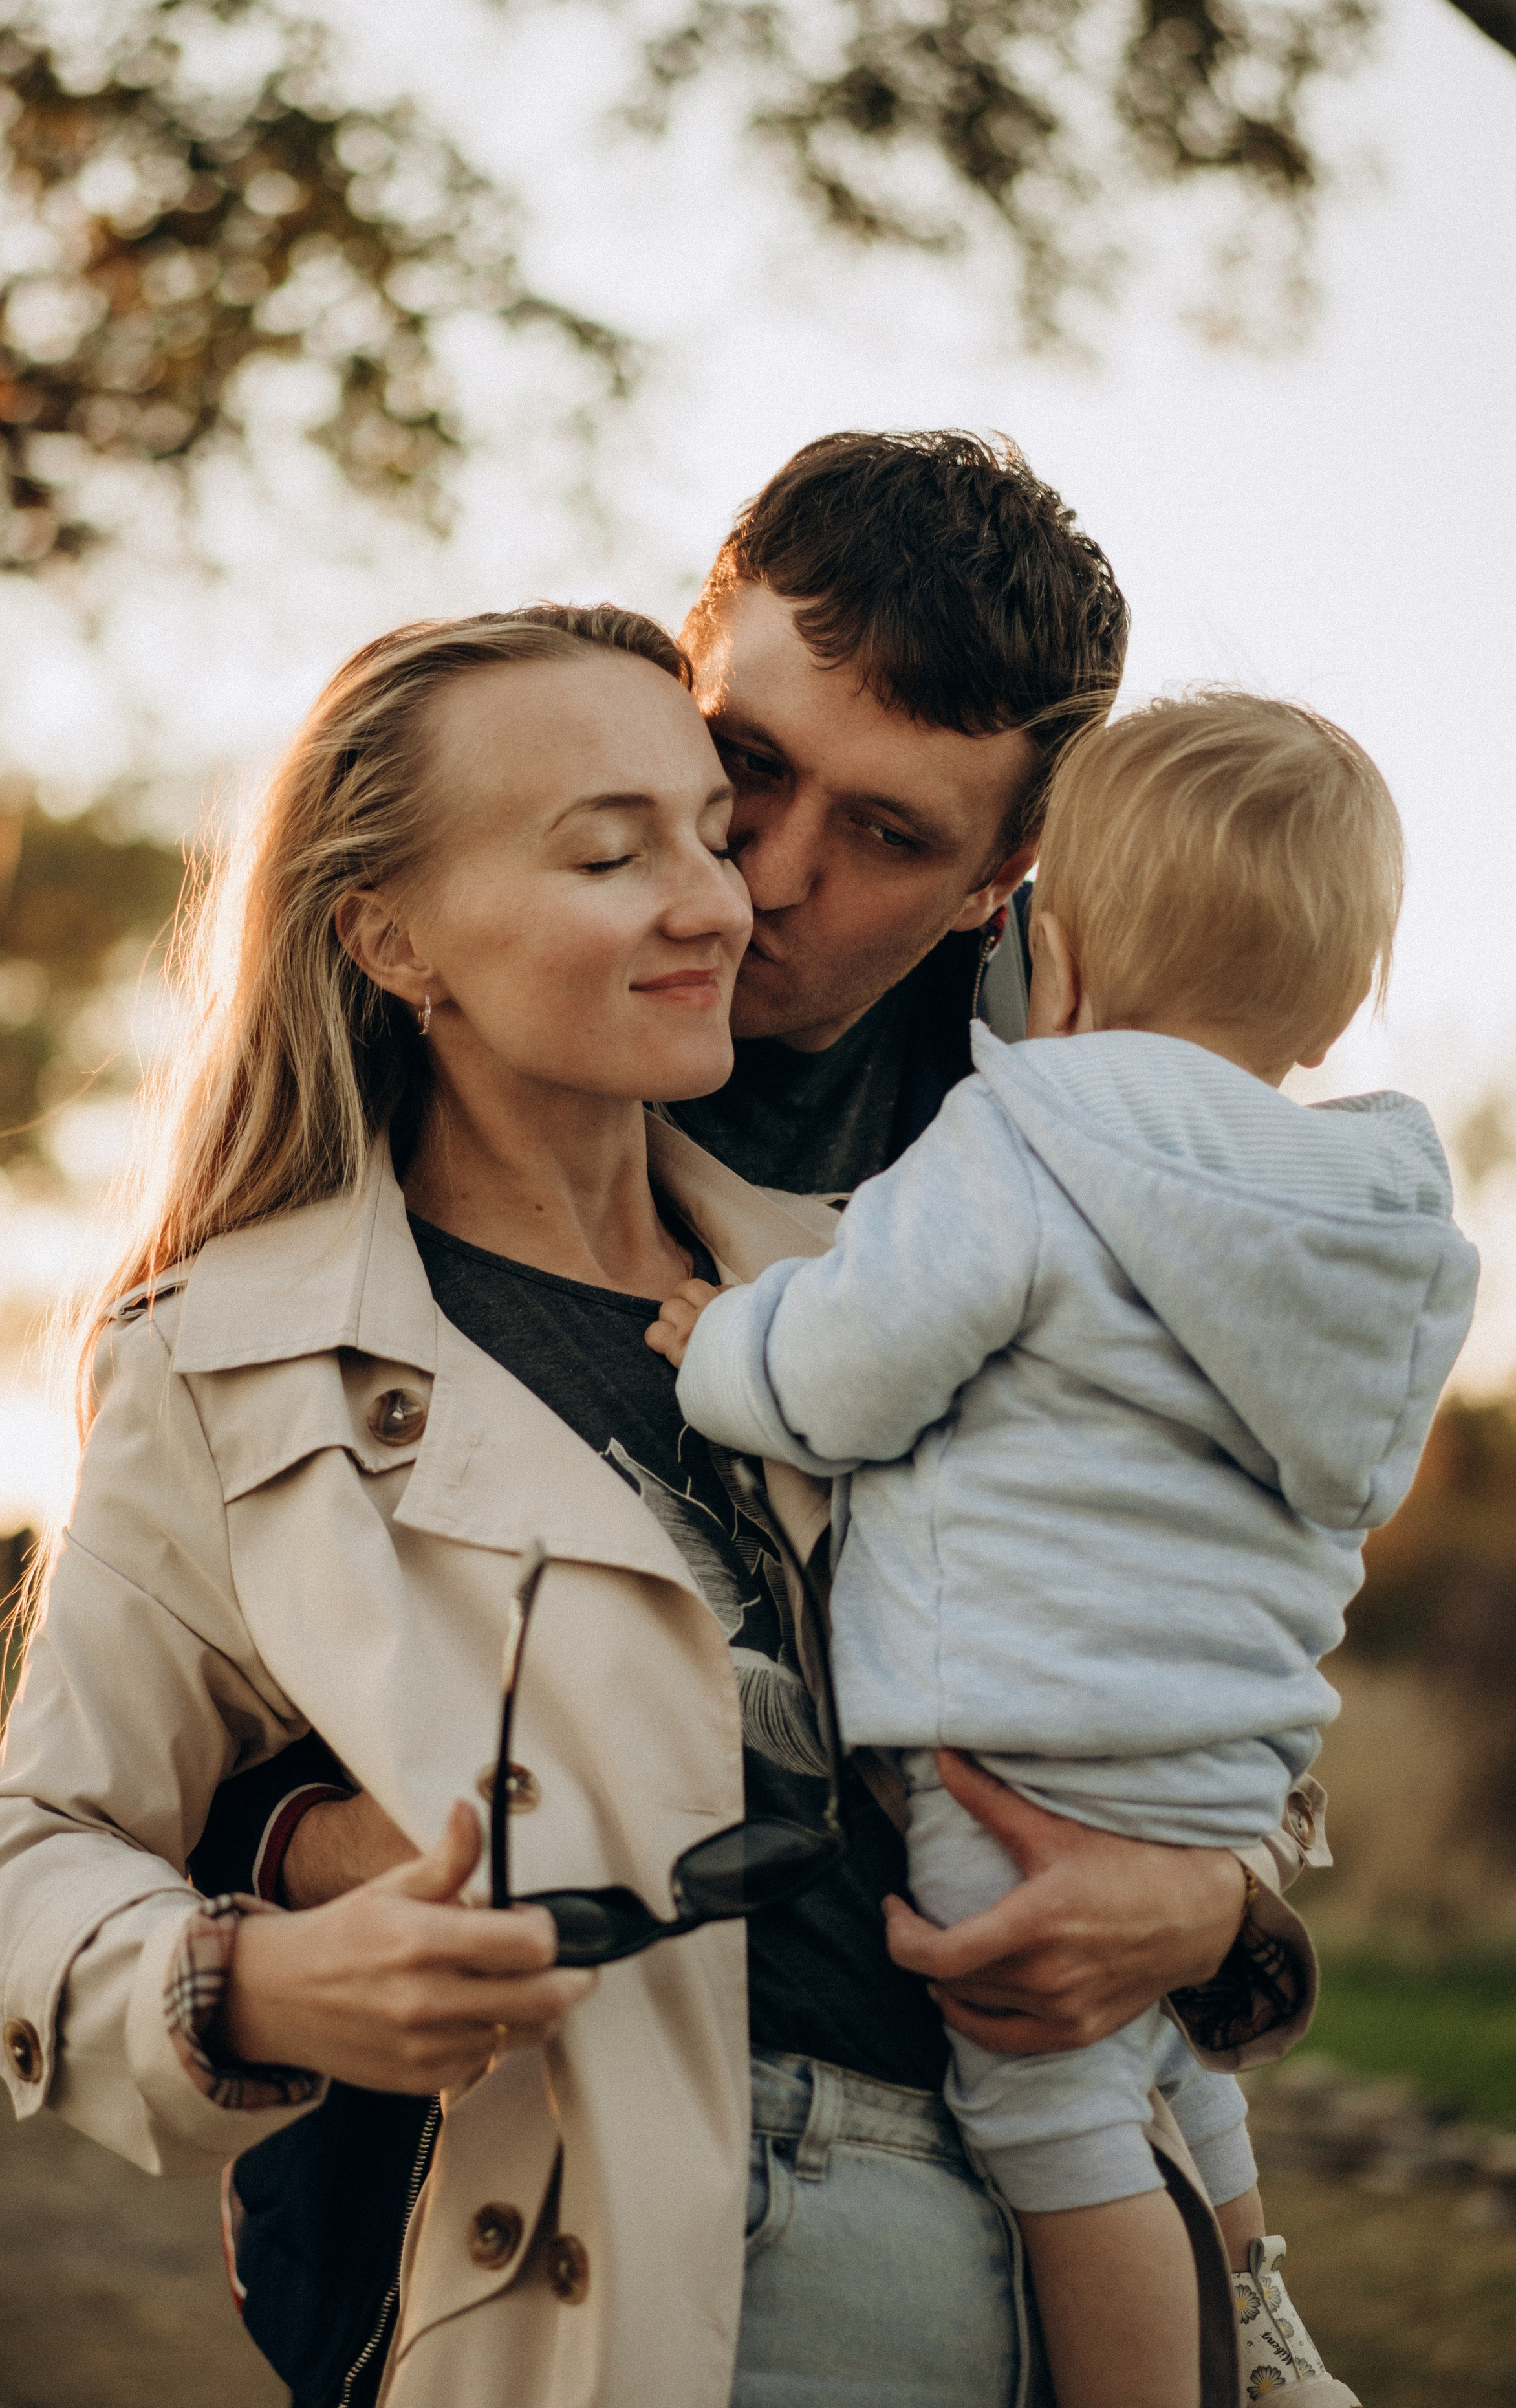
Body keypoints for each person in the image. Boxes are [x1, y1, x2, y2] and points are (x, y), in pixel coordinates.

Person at [196, 435, 1330, 2403]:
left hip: (993, 2184)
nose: (765, 878)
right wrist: (334, 1848)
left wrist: (1223, 1907)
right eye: (748, 765)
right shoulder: (419, 1041)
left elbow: (1228, 1577)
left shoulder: (1102, 1134)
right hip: (496, 2216)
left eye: (888, 835)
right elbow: (185, 1678)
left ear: (1000, 885)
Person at [653, 693, 1479, 2408]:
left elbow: (845, 1374)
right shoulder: (1381, 1229)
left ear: (1062, 955)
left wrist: (723, 1342)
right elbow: (1357, 1483)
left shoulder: (1024, 1138)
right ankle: (1258, 2332)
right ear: (1336, 1007)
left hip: (1015, 1731)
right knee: (1174, 2064)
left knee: (1049, 2108)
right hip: (1230, 1768)